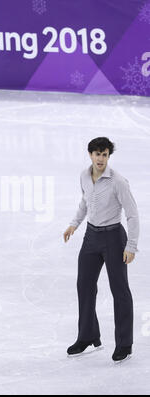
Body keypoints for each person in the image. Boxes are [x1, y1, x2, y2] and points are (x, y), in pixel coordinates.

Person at [63, 137, 139, 362]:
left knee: (120, 290)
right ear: (90, 155)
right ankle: (88, 336)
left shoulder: (118, 181)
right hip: (91, 236)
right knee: (84, 285)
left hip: (114, 238)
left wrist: (131, 245)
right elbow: (85, 202)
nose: (100, 159)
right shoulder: (84, 176)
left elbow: (132, 214)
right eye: (97, 154)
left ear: (108, 156)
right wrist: (74, 224)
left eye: (104, 154)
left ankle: (124, 344)